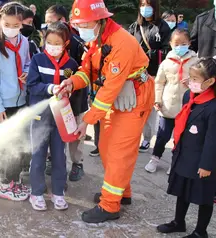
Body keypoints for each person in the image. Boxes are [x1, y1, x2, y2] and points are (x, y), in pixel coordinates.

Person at [59, 0, 154, 223]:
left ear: (100, 20)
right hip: (117, 97)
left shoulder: (121, 42)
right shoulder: (98, 39)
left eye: (85, 23)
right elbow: (88, 71)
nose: (81, 28)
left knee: (120, 151)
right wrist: (72, 82)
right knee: (106, 147)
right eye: (78, 24)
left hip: (134, 99)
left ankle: (111, 206)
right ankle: (123, 193)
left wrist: (87, 121)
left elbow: (110, 87)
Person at [156, 58, 216, 238]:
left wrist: (206, 165)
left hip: (202, 159)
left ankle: (200, 231)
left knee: (204, 196)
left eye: (195, 79)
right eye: (190, 77)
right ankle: (178, 222)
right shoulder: (188, 96)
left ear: (210, 81)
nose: (191, 82)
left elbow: (212, 139)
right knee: (182, 190)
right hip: (184, 153)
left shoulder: (212, 107)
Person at [27, 22, 78, 211]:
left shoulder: (71, 65)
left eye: (57, 43)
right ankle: (37, 192)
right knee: (38, 155)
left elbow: (76, 87)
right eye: (49, 42)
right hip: (40, 116)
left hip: (60, 119)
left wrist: (68, 90)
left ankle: (58, 192)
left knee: (59, 155)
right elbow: (31, 85)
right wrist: (50, 88)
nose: (52, 46)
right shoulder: (38, 60)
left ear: (65, 44)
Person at [0, 2, 30, 201]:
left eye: (16, 25)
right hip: (3, 104)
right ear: (0, 21)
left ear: (22, 24)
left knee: (17, 143)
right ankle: (5, 185)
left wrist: (27, 72)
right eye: (7, 24)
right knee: (6, 145)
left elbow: (28, 61)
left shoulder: (24, 42)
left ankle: (14, 180)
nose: (11, 29)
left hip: (20, 100)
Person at [43, 4, 89, 182]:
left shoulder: (78, 42)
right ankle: (51, 159)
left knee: (75, 131)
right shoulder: (47, 39)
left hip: (75, 98)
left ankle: (77, 164)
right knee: (53, 129)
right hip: (54, 97)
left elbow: (86, 70)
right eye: (46, 23)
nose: (47, 26)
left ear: (62, 20)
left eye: (51, 21)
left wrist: (72, 84)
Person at [144, 29, 198, 174]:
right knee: (162, 135)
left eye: (183, 43)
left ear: (189, 44)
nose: (180, 46)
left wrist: (192, 82)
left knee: (180, 138)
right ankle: (155, 158)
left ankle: (175, 162)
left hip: (187, 108)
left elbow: (201, 83)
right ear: (170, 44)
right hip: (167, 106)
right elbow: (159, 82)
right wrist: (157, 99)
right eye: (177, 44)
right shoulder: (166, 62)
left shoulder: (196, 62)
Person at [128, 0, 171, 153]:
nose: (145, 8)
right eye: (142, 5)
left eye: (148, 5)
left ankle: (146, 138)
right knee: (133, 106)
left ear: (155, 7)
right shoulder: (135, 26)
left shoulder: (163, 27)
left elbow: (168, 50)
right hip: (135, 75)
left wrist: (151, 54)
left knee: (149, 109)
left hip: (153, 74)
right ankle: (132, 136)